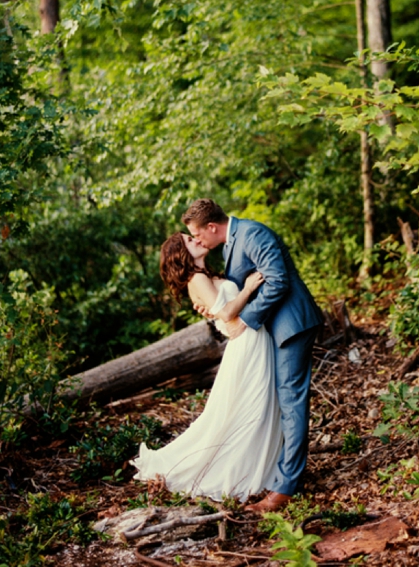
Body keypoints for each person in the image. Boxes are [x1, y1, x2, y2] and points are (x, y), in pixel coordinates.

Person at [182, 198, 323, 514]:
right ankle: (282, 472)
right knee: (280, 402)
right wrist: (215, 308)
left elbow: (278, 281)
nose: (198, 240)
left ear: (212, 227)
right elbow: (239, 290)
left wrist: (245, 320)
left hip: (291, 325)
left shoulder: (253, 234)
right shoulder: (232, 243)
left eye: (197, 234)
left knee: (291, 402)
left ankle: (285, 489)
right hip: (274, 330)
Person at [130, 231, 283, 502]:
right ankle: (244, 474)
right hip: (246, 341)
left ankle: (259, 469)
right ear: (182, 253)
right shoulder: (197, 279)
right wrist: (247, 288)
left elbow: (220, 313)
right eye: (190, 240)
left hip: (251, 338)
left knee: (251, 407)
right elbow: (226, 314)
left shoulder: (205, 277)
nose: (197, 240)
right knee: (250, 408)